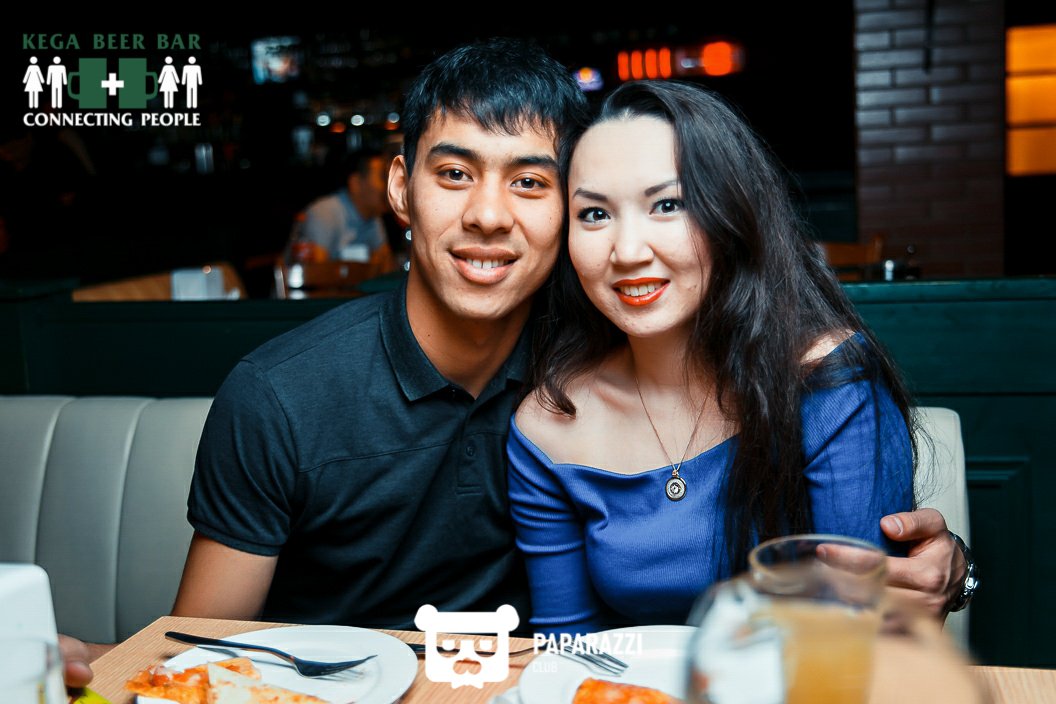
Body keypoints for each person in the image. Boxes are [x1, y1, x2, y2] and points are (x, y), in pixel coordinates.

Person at [58, 40, 969, 685]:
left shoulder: (610, 357)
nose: (490, 215)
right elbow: (201, 648)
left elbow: (859, 611)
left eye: (531, 182)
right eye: (454, 174)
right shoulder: (283, 395)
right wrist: (95, 661)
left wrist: (951, 572)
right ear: (400, 188)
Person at [508, 80, 944, 634]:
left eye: (668, 205)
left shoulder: (829, 385)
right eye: (594, 214)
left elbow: (862, 636)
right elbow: (567, 645)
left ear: (731, 213)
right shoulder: (549, 426)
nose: (628, 251)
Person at [295, 149, 390, 262]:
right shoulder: (323, 214)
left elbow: (386, 265)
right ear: (356, 183)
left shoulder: (373, 217)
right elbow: (314, 270)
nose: (390, 185)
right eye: (383, 178)